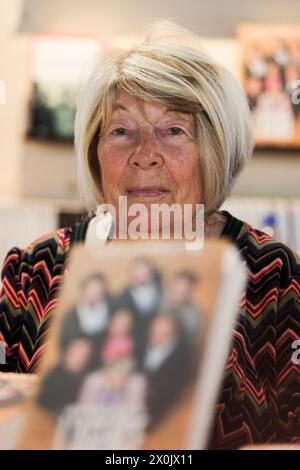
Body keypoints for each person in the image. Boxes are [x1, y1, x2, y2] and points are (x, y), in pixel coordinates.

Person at [0, 19, 299, 449]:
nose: (145, 156)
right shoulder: (34, 271)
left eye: (173, 131)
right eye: (121, 131)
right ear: (95, 151)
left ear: (213, 150)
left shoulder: (271, 273)